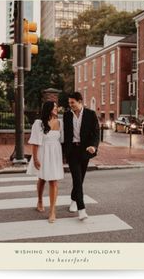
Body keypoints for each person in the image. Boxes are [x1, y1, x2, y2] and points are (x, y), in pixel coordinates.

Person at [63, 92, 100, 220]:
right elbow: (65, 135)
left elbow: (96, 133)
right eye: (69, 103)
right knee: (77, 179)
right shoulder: (67, 115)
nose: (70, 105)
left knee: (80, 179)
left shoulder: (90, 114)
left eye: (72, 102)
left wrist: (93, 146)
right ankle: (82, 209)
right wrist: (64, 152)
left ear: (80, 101)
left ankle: (74, 200)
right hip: (72, 151)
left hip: (85, 151)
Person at [27, 101, 64, 223]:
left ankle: (52, 211)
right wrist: (36, 158)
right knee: (42, 179)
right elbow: (35, 142)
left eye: (56, 107)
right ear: (48, 109)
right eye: (54, 107)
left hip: (55, 154)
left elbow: (62, 140)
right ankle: (40, 200)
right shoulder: (38, 123)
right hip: (43, 153)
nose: (56, 109)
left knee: (53, 181)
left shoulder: (60, 122)